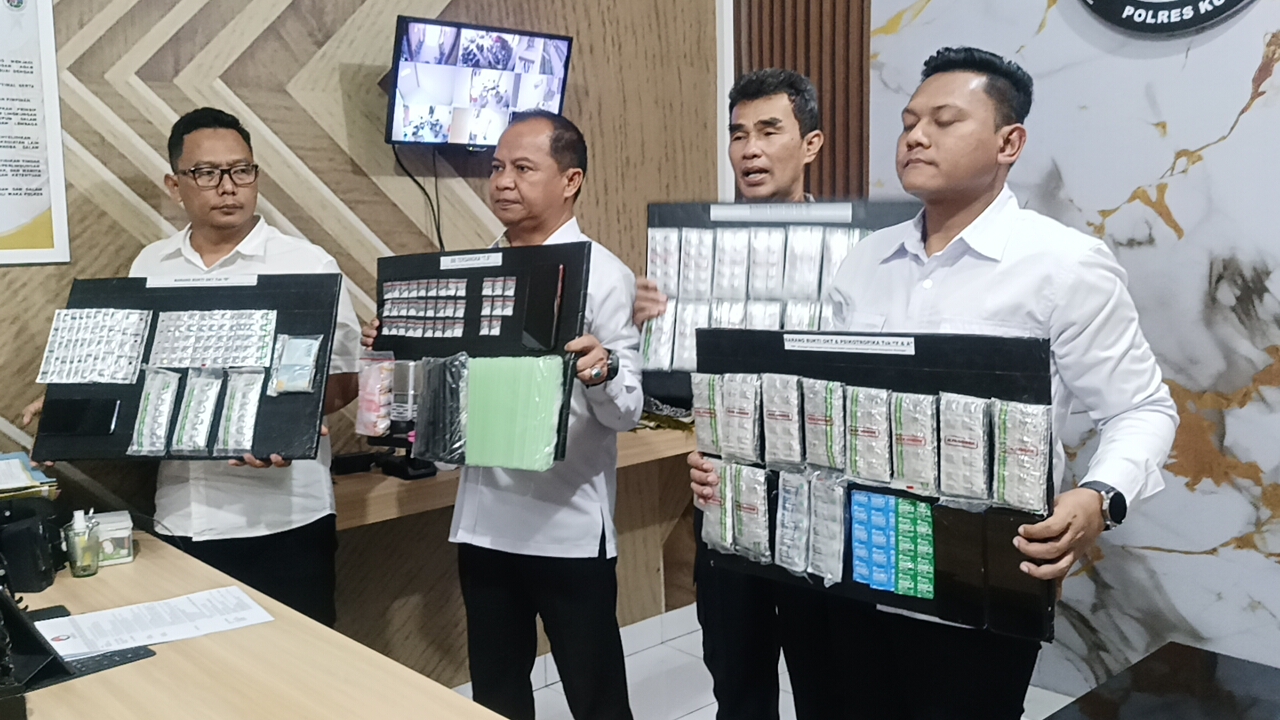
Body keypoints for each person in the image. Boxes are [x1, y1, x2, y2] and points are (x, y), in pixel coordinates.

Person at [688, 48, 1180, 719]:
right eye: (909, 122)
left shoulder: (1063, 265)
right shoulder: (864, 260)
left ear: (1009, 143)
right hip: (845, 570)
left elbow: (1142, 408)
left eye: (944, 121)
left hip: (973, 584)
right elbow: (819, 408)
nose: (916, 136)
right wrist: (738, 464)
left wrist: (1100, 498)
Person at [23, 107, 362, 626]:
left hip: (286, 517)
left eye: (241, 170)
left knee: (298, 669)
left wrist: (283, 422)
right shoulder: (151, 265)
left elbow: (342, 381)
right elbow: (131, 373)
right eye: (206, 173)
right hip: (182, 515)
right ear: (175, 185)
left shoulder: (307, 264)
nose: (228, 187)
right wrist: (71, 405)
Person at [363, 110, 641, 720]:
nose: (502, 182)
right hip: (485, 525)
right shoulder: (471, 273)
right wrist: (396, 351)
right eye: (495, 168)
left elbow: (627, 412)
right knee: (497, 693)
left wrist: (604, 371)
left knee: (596, 696)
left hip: (568, 528)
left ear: (570, 180)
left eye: (522, 168)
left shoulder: (604, 276)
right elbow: (439, 399)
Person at [634, 69, 845, 720]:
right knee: (736, 680)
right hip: (724, 496)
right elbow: (671, 398)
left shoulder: (855, 257)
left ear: (810, 144)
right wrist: (652, 333)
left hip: (821, 501)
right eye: (737, 134)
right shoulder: (697, 258)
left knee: (828, 685)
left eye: (769, 131)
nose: (750, 149)